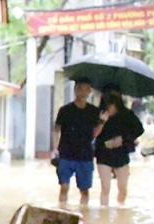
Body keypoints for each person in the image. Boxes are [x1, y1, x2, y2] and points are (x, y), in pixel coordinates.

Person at [51, 78, 108, 207]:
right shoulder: (65, 110)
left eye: (86, 89)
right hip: (66, 153)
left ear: (90, 92)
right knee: (64, 187)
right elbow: (56, 130)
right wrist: (55, 149)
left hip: (85, 154)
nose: (83, 92)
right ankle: (62, 210)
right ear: (75, 90)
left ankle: (84, 215)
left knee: (84, 190)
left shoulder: (94, 111)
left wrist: (102, 122)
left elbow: (94, 134)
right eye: (80, 89)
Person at [95, 89, 144, 207]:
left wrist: (123, 139)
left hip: (121, 153)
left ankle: (120, 209)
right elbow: (93, 134)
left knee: (123, 188)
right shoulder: (99, 114)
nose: (111, 107)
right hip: (103, 153)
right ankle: (104, 212)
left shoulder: (127, 115)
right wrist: (102, 121)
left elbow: (139, 130)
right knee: (105, 188)